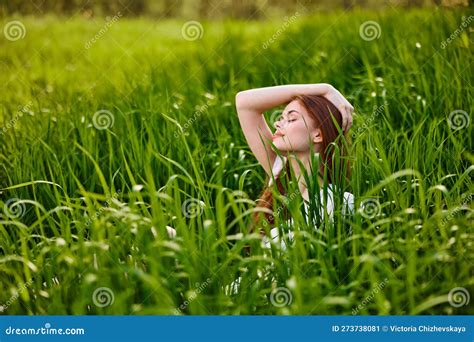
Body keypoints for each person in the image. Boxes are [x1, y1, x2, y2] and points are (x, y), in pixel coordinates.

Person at [235, 83, 355, 251]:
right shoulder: (281, 173)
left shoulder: (336, 201)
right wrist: (325, 89)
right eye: (281, 118)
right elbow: (244, 102)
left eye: (291, 119)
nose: (278, 124)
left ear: (318, 134)